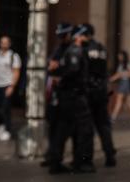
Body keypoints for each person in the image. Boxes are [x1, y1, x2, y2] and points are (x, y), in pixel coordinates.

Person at [49, 25, 95, 174]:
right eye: (84, 36)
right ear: (78, 37)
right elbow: (73, 71)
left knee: (64, 129)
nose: (86, 39)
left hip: (68, 96)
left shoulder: (68, 51)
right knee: (84, 129)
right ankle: (81, 163)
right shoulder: (75, 50)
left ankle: (56, 161)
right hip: (74, 96)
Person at [83, 23, 117, 167]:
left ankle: (87, 158)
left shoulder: (84, 48)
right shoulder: (101, 48)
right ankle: (110, 155)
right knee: (103, 125)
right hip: (101, 90)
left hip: (89, 91)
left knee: (87, 126)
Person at [41, 22, 73, 168]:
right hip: (56, 95)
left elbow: (68, 70)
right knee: (54, 127)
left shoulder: (73, 50)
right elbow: (51, 67)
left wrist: (58, 69)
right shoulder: (59, 49)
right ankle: (53, 156)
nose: (61, 38)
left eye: (63, 35)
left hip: (67, 94)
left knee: (63, 129)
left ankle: (56, 157)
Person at [0, 35, 21, 141]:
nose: (4, 44)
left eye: (6, 42)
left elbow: (16, 72)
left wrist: (12, 86)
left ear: (9, 44)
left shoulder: (13, 56)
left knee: (5, 108)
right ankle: (2, 124)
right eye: (2, 42)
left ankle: (7, 129)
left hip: (7, 85)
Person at [110, 50, 130, 122]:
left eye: (120, 55)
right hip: (123, 83)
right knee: (128, 102)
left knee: (119, 101)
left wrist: (123, 74)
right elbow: (118, 75)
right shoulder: (121, 64)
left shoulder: (127, 64)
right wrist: (112, 78)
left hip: (125, 83)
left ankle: (113, 117)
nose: (119, 57)